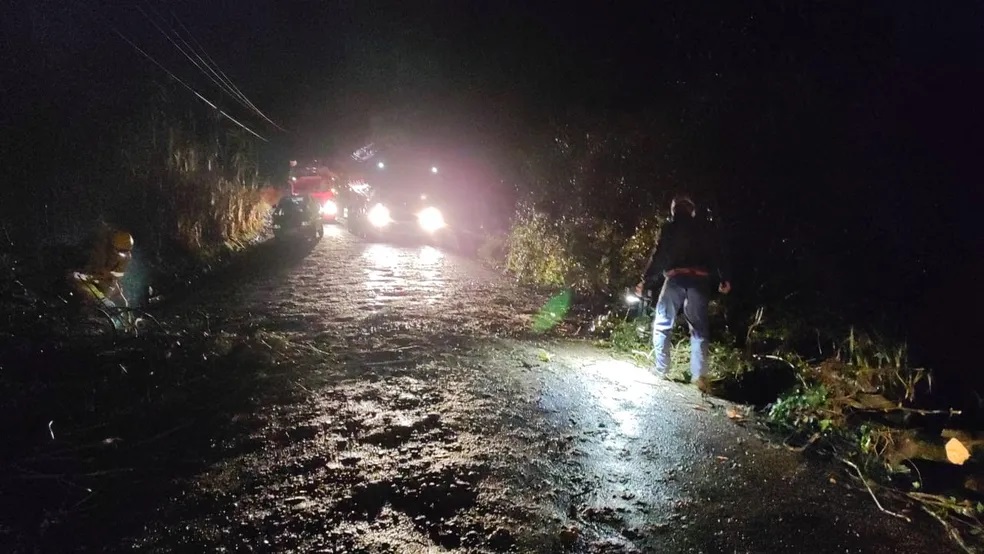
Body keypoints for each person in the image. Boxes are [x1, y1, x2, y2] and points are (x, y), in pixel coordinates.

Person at [635, 195, 731, 392]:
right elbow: (717, 253)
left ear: (674, 210)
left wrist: (646, 281)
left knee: (662, 322)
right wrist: (723, 278)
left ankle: (661, 369)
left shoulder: (670, 229)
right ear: (692, 210)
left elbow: (659, 256)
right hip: (700, 280)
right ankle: (699, 377)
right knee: (699, 328)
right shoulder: (705, 229)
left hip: (676, 278)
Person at [69, 223, 134, 310]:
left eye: (123, 251)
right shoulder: (101, 251)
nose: (117, 255)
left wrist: (109, 275)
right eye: (116, 250)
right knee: (78, 281)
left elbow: (118, 274)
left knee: (119, 302)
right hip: (91, 282)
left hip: (106, 284)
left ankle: (103, 304)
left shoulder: (125, 257)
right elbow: (89, 272)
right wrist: (89, 276)